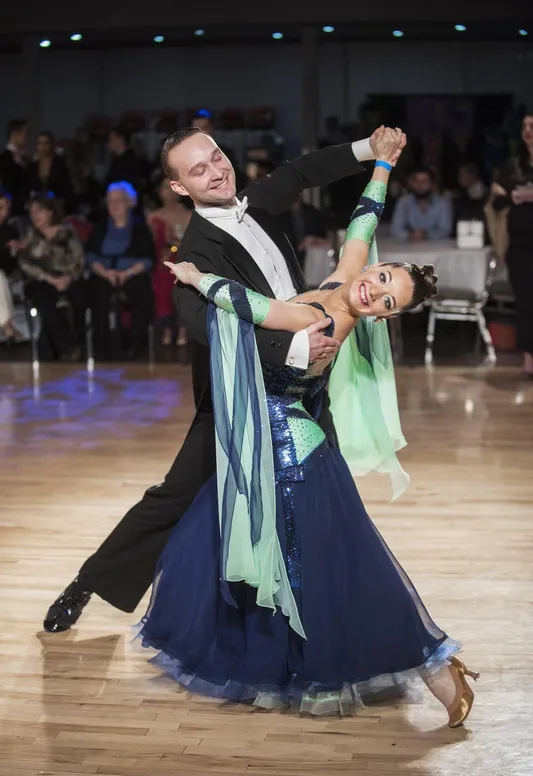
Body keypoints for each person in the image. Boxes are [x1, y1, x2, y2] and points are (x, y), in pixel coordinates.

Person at [136, 128, 478, 727]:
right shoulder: (347, 277)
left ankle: (429, 666)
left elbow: (258, 309)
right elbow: (363, 226)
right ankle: (415, 668)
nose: (373, 289)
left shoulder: (326, 313)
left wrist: (196, 280)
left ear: (385, 317)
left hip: (289, 446)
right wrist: (382, 169)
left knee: (308, 561)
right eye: (383, 276)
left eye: (386, 302)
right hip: (276, 436)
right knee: (290, 556)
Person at [43, 124, 396, 632]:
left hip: (303, 387)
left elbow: (302, 171)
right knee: (175, 496)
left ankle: (335, 607)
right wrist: (294, 345)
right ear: (180, 189)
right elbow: (209, 326)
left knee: (325, 490)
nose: (216, 170)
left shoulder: (254, 199)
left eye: (216, 157)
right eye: (199, 169)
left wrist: (371, 150)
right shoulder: (193, 254)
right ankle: (88, 583)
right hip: (239, 394)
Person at [87, 181, 155, 360]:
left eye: (119, 200)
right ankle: (101, 347)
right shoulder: (100, 226)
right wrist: (106, 273)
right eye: (110, 201)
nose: (114, 205)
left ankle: (135, 345)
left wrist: (127, 273)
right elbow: (91, 257)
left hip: (131, 273)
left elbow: (148, 259)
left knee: (141, 290)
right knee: (96, 290)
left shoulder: (139, 226)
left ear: (129, 203)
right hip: (104, 272)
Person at [490, 112, 533, 379]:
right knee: (526, 303)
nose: (528, 130)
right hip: (520, 246)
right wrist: (512, 198)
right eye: (525, 126)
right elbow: (495, 201)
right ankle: (529, 363)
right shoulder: (514, 166)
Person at [18, 192, 85, 361]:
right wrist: (50, 279)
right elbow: (25, 262)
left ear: (50, 212)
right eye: (32, 212)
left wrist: (67, 277)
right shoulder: (30, 235)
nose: (35, 216)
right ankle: (67, 347)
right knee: (44, 300)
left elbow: (78, 259)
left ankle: (82, 343)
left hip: (67, 276)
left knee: (80, 296)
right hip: (41, 279)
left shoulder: (67, 232)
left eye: (38, 211)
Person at [147, 177, 192, 347]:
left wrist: (173, 246)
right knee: (161, 276)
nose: (168, 191)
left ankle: (182, 328)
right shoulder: (153, 217)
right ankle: (166, 325)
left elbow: (191, 244)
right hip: (159, 262)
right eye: (164, 187)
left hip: (184, 259)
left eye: (172, 187)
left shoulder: (189, 215)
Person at [391, 167, 453, 241]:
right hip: (408, 248)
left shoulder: (443, 203)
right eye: (417, 181)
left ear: (432, 184)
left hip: (437, 249)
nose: (420, 185)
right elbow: (395, 230)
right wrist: (410, 235)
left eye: (424, 181)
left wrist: (425, 234)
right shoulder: (404, 202)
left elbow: (446, 231)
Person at [25, 131, 75, 214]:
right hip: (36, 209)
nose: (43, 147)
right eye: (40, 143)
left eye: (46, 143)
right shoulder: (31, 167)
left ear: (52, 144)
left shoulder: (61, 165)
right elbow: (26, 189)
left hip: (57, 209)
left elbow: (67, 189)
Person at [0, 190, 23, 342]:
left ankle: (6, 326)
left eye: (4, 208)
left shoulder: (9, 231)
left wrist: (18, 248)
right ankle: (7, 325)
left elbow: (10, 262)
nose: (1, 212)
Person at [0, 119, 28, 216]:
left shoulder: (23, 156)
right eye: (24, 134)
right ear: (15, 134)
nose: (26, 137)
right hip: (13, 210)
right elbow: (7, 184)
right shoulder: (6, 158)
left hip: (22, 208)